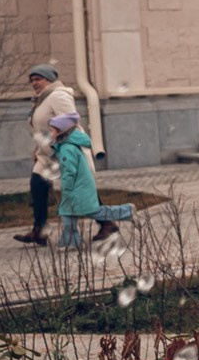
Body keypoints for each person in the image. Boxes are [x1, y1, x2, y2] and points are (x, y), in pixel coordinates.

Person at [9, 64, 77, 246]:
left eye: (38, 78)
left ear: (49, 79)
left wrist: (56, 140)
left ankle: (107, 222)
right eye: (32, 80)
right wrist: (38, 149)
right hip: (47, 154)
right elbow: (41, 127)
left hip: (66, 151)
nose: (34, 83)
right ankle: (39, 231)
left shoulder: (58, 95)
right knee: (37, 184)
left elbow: (71, 119)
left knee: (81, 190)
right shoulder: (41, 99)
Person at [48, 112, 132, 247]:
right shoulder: (68, 146)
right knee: (69, 214)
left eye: (52, 130)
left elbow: (69, 172)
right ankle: (71, 241)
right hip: (82, 187)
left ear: (60, 131)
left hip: (77, 190)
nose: (50, 133)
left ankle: (126, 211)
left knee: (92, 212)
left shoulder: (66, 149)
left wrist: (67, 190)